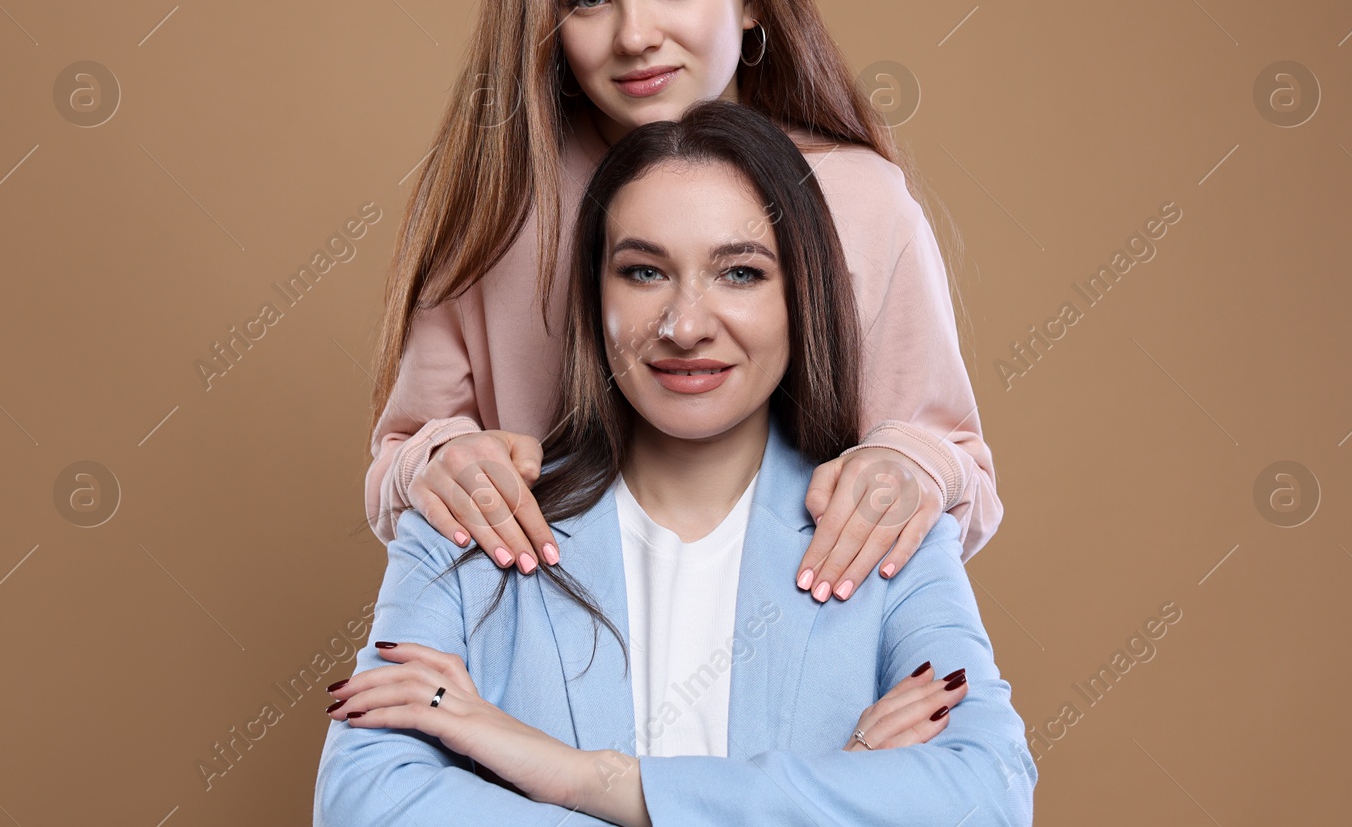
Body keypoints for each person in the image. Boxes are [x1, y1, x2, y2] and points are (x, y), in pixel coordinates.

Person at [316, 102, 1035, 826]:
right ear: (595, 297)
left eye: (741, 273)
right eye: (644, 271)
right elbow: (365, 806)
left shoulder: (894, 530)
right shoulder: (464, 522)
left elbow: (990, 797)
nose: (686, 326)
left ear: (800, 293)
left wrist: (585, 779)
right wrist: (827, 789)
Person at [365, 0, 1002, 608]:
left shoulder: (860, 204)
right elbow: (402, 458)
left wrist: (918, 467)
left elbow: (959, 470)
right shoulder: (501, 208)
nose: (636, 35)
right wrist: (439, 464)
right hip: (555, 670)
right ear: (546, 23)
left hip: (800, 672)